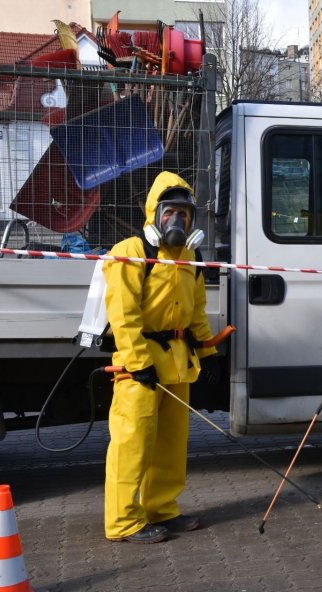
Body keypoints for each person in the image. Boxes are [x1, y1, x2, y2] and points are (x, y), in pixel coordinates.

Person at [103, 171, 217, 543]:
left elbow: (196, 309)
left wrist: (208, 350)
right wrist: (138, 363)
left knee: (171, 443)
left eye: (184, 214)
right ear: (154, 213)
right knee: (132, 443)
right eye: (170, 212)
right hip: (140, 366)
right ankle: (123, 522)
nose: (177, 221)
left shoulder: (190, 255)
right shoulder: (131, 252)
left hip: (177, 363)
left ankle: (162, 509)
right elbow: (123, 315)